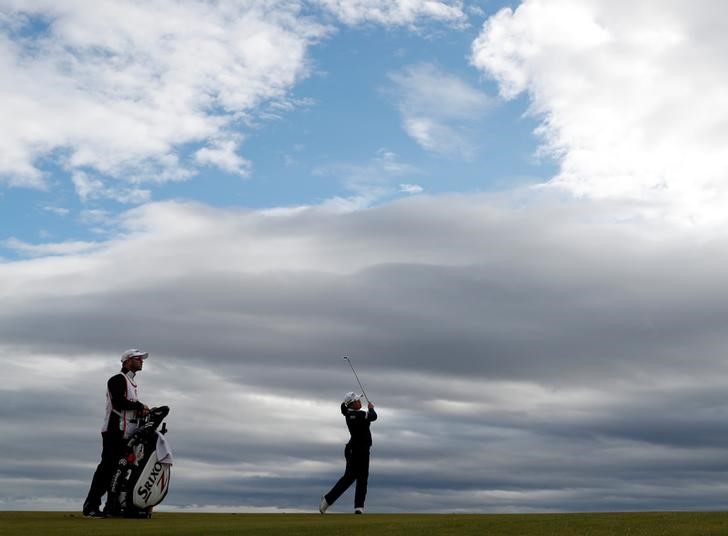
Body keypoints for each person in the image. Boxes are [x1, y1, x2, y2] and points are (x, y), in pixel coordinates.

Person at [82, 349, 151, 518]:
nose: (141, 361)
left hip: (127, 432)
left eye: (142, 359)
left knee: (119, 471)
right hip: (114, 431)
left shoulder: (131, 382)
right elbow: (120, 402)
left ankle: (112, 506)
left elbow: (129, 406)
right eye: (137, 358)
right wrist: (140, 407)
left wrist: (140, 411)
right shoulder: (117, 379)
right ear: (126, 361)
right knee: (107, 469)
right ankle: (91, 506)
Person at [320, 392, 377, 514]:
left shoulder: (350, 413)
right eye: (357, 400)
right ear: (352, 403)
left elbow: (344, 410)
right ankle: (327, 500)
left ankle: (359, 507)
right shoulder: (357, 415)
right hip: (354, 450)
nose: (360, 402)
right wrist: (371, 408)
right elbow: (374, 417)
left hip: (363, 449)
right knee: (349, 478)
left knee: (362, 478)